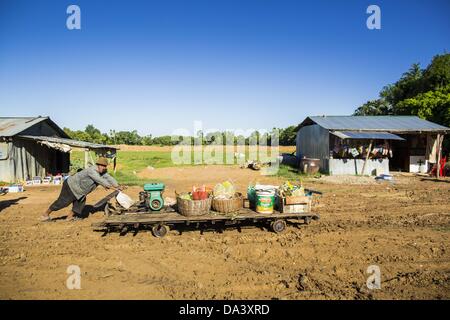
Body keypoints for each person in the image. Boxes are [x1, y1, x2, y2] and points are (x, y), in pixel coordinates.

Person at [41, 157, 122, 221]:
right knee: (63, 202)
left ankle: (69, 217)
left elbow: (109, 178)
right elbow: (99, 180)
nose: (104, 168)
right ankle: (45, 215)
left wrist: (117, 185)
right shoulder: (92, 171)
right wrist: (110, 186)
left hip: (80, 190)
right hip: (71, 185)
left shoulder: (103, 171)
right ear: (98, 165)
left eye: (105, 166)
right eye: (102, 166)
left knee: (80, 203)